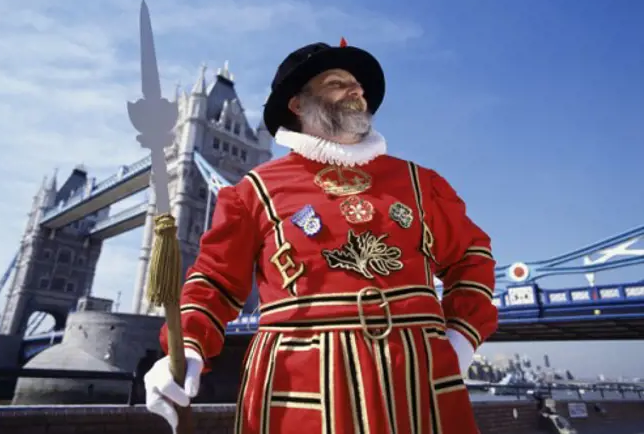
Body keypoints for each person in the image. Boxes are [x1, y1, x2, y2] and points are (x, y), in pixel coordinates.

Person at [144, 39, 498, 433]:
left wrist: (460, 338)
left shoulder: (421, 183)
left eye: (359, 85)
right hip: (298, 387)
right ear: (298, 104)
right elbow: (214, 281)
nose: (356, 90)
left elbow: (473, 256)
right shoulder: (253, 191)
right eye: (337, 82)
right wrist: (188, 346)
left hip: (420, 380)